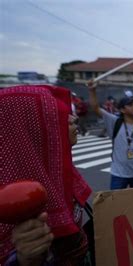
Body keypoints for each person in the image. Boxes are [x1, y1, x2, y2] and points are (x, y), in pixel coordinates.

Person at [0, 85, 92, 265]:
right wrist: (23, 260)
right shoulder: (11, 203)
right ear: (27, 131)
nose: (73, 119)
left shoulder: (58, 172)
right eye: (56, 116)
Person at [88, 81, 133, 190]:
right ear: (122, 109)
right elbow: (95, 108)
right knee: (116, 204)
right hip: (119, 174)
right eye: (130, 104)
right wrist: (92, 91)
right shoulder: (115, 122)